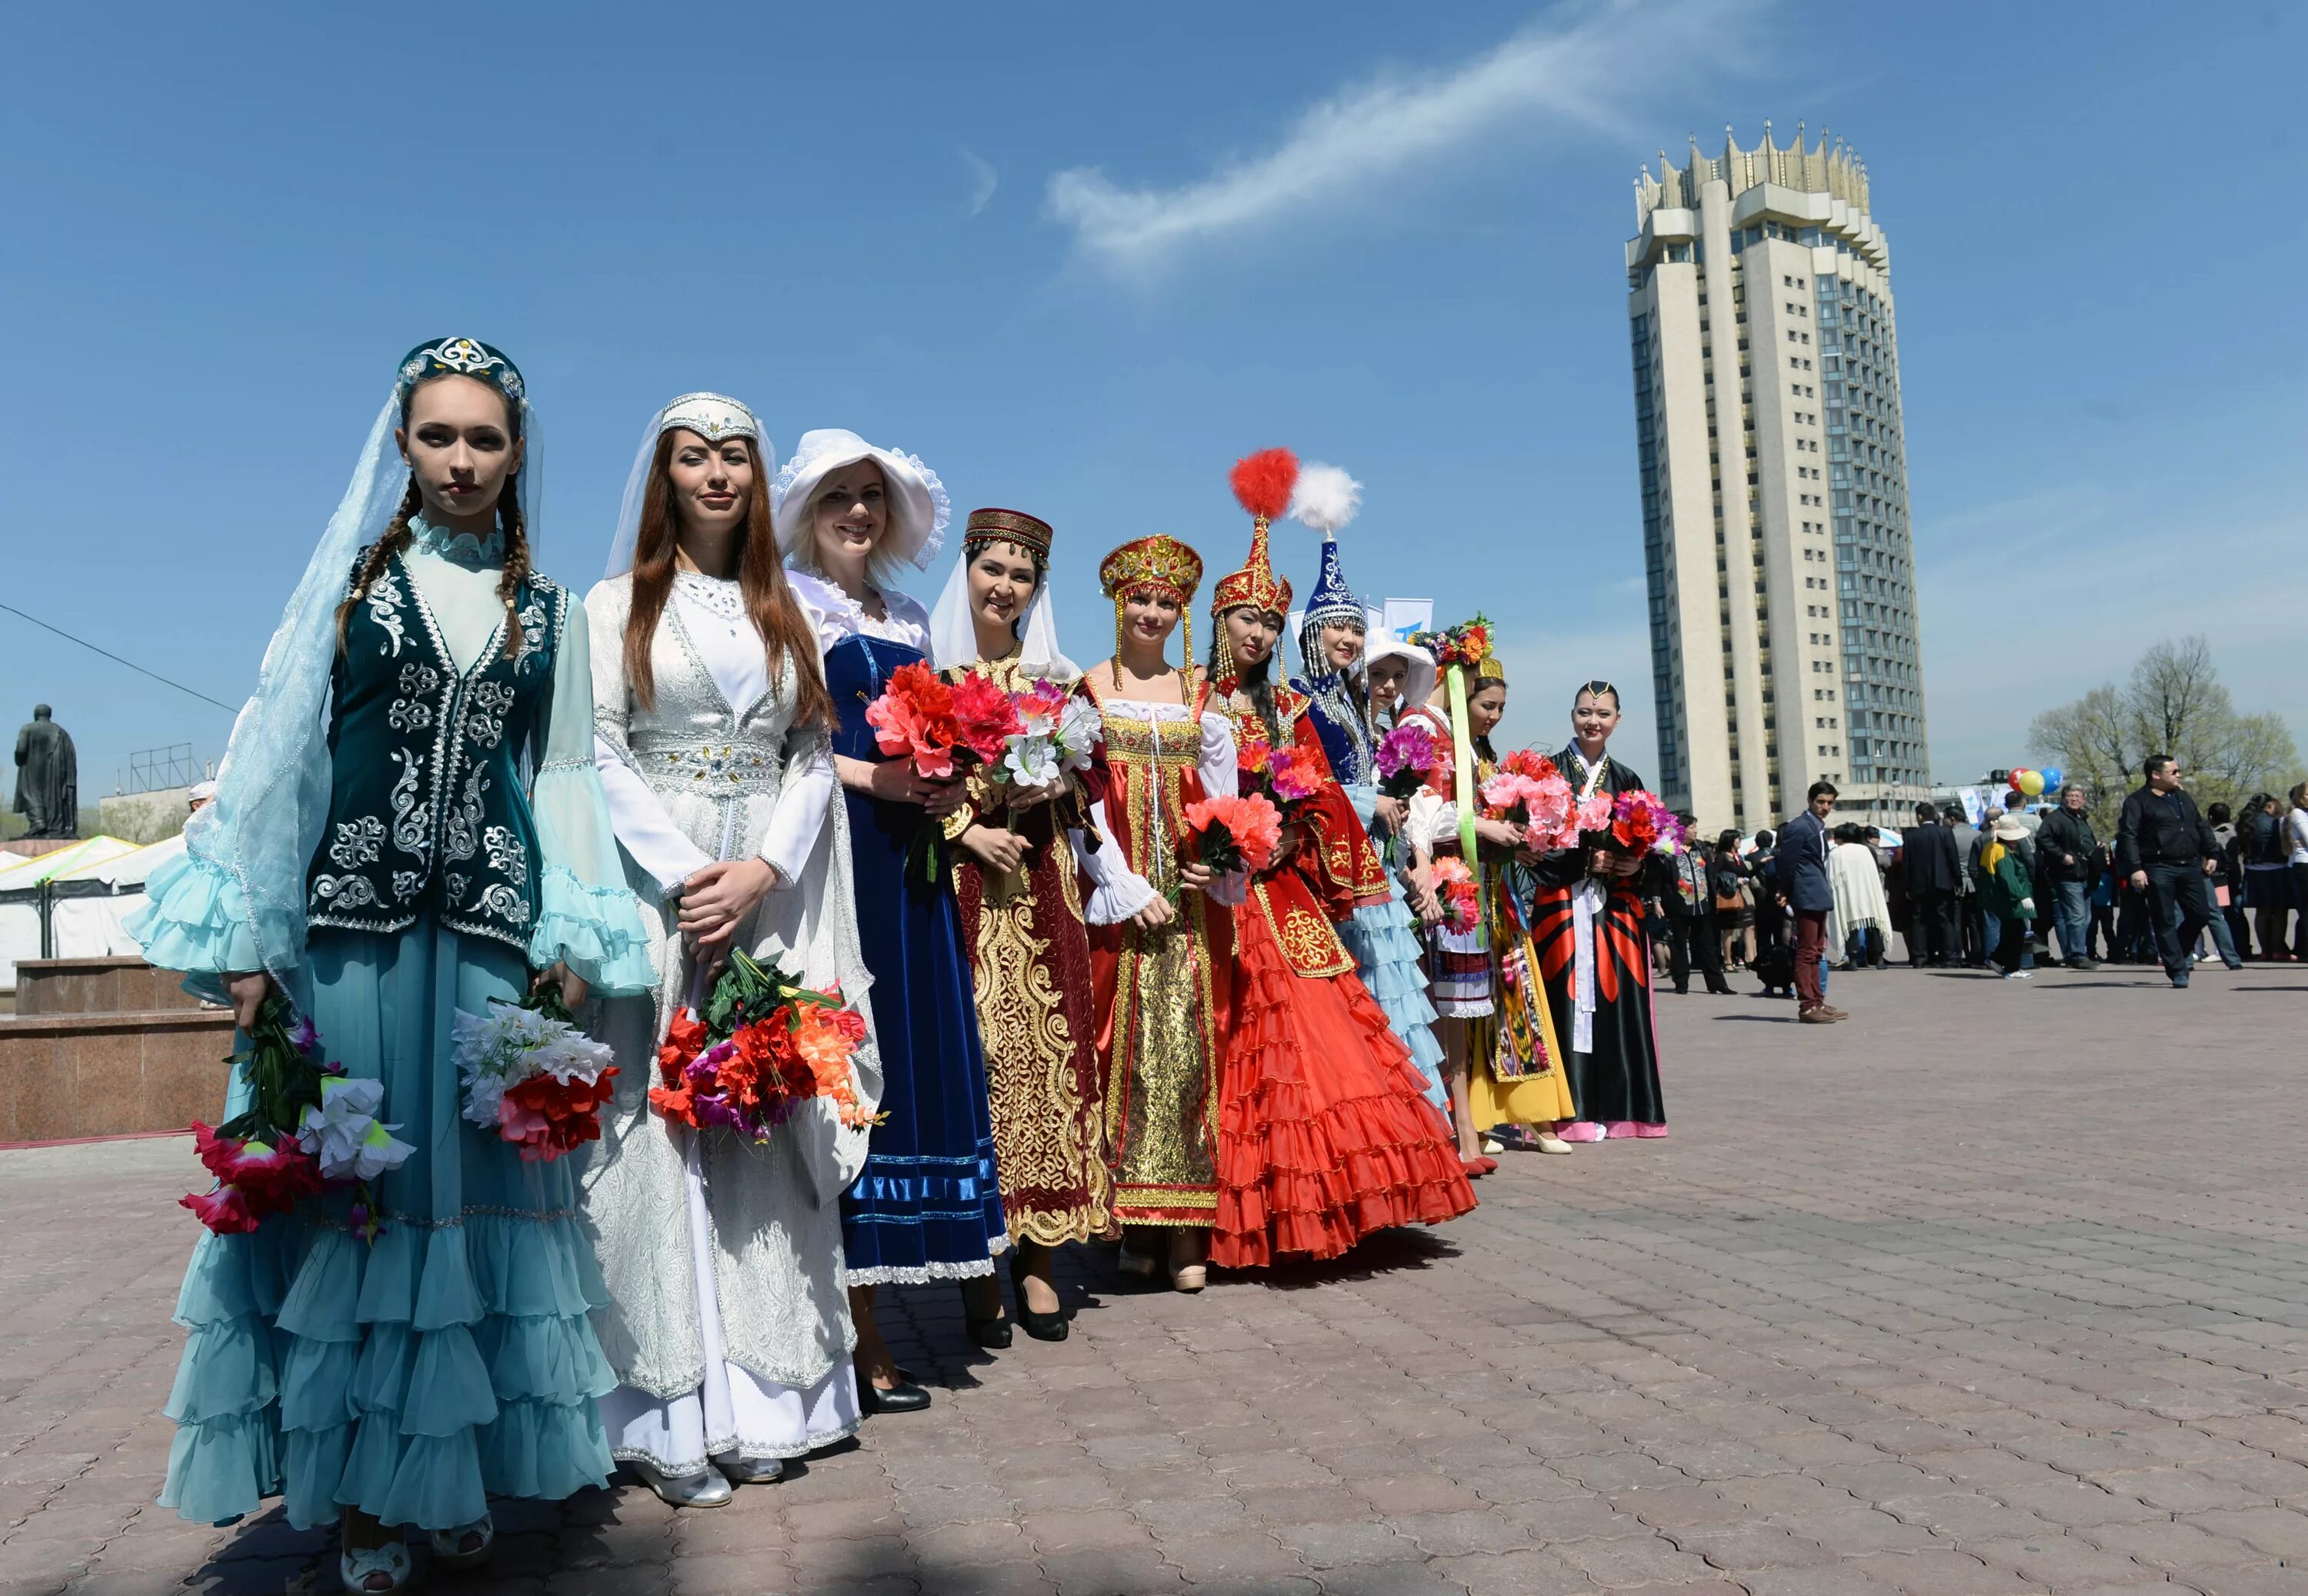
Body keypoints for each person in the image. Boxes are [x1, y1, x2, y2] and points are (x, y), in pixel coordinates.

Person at [128, 338, 658, 1590]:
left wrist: (574, 936)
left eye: (484, 438)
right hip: (352, 950)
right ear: (406, 447)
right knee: (364, 1215)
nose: (462, 459)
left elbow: (566, 775)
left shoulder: (552, 615)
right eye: (440, 437)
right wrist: (252, 944)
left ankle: (452, 1474)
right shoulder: (352, 594)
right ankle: (368, 1498)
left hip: (484, 951)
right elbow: (278, 763)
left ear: (516, 452)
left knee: (469, 1220)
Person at [580, 393, 879, 1505]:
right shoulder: (614, 606)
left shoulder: (785, 609)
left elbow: (811, 755)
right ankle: (669, 1414)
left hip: (771, 889)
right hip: (667, 890)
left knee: (764, 1117)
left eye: (735, 458)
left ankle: (768, 1400)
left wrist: (764, 870)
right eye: (694, 458)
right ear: (664, 477)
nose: (716, 475)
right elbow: (601, 748)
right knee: (665, 1128)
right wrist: (685, 872)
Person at [774, 428, 1004, 1410]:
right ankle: (861, 1329)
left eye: (872, 496)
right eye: (839, 495)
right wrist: (889, 776)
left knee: (916, 1053)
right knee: (852, 1057)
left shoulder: (907, 615)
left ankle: (930, 1269)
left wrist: (954, 775)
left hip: (910, 855)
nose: (858, 511)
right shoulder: (786, 602)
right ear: (807, 510)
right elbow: (787, 741)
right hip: (836, 847)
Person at [1202, 471, 1474, 1267]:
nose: (1257, 631)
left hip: (1284, 890)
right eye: (1245, 616)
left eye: (1268, 620)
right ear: (1222, 620)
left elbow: (1318, 792)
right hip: (1219, 891)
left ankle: (1340, 1196)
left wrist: (1291, 830)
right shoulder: (1198, 702)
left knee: (1324, 1035)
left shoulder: (1289, 710)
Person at [927, 507, 1117, 1341]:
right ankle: (976, 1265)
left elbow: (1095, 775)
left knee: (1047, 1063)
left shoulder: (1058, 678)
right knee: (974, 1065)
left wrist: (1056, 785)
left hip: (1042, 889)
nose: (1004, 586)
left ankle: (1039, 1260)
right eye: (993, 568)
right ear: (965, 570)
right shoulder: (929, 670)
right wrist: (966, 821)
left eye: (1021, 574)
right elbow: (911, 777)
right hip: (958, 890)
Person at [1077, 535, 1240, 1290]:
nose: (1151, 611)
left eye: (1166, 602)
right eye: (1139, 598)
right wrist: (1114, 878)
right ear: (1117, 602)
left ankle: (1187, 1231)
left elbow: (1225, 798)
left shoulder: (1201, 694)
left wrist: (1225, 858)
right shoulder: (1087, 690)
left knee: (1189, 1052)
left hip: (1187, 901)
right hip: (1116, 899)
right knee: (1122, 1055)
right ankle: (1134, 1224)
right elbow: (1080, 801)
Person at [1286, 501, 1448, 1111]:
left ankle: (1410, 1130)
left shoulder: (1355, 708)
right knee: (1359, 996)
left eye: (1356, 628)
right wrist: (1368, 799)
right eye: (1338, 628)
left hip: (1372, 864)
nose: (1349, 639)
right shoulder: (1299, 698)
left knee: (1388, 991)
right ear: (1312, 633)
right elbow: (1303, 783)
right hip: (1330, 867)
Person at [1523, 681, 1669, 1138]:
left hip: (1615, 912)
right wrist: (1587, 860)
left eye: (1603, 714)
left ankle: (1620, 1109)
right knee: (1561, 999)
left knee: (1617, 1001)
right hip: (1561, 907)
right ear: (1572, 715)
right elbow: (1531, 847)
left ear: (1617, 721)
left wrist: (1631, 862)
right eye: (1586, 712)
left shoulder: (1627, 780)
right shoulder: (1547, 775)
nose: (1593, 721)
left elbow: (1651, 854)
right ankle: (1565, 1113)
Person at [2114, 754, 2229, 988]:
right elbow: (2129, 835)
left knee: (2201, 914)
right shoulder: (2138, 801)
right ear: (2156, 775)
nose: (2179, 775)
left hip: (2189, 865)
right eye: (2174, 772)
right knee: (2164, 919)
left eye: (2179, 771)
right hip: (2158, 867)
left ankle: (2174, 951)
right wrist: (2136, 868)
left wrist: (2212, 853)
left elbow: (2200, 826)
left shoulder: (2183, 797)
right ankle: (2178, 969)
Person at [1779, 781, 1845, 1023]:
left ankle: (1818, 1000)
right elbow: (1787, 862)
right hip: (1805, 894)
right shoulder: (1800, 827)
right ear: (1810, 800)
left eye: (1829, 803)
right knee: (1807, 951)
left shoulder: (1817, 827)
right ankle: (1807, 1006)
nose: (1825, 807)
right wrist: (1784, 890)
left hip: (1817, 892)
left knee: (1817, 951)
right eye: (1821, 802)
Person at [2034, 785, 2100, 972]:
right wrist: (2061, 856)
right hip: (2067, 874)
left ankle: (2077, 952)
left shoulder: (2082, 818)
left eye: (2078, 796)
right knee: (2076, 916)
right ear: (2063, 798)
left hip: (2086, 873)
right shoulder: (2055, 818)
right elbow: (2043, 839)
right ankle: (2076, 955)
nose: (2074, 799)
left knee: (2085, 917)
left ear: (2084, 799)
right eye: (2070, 796)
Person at [1664, 825, 1730, 995]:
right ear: (1681, 830)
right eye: (1691, 828)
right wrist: (1658, 901)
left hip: (1703, 904)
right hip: (1680, 905)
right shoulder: (1669, 850)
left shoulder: (1701, 848)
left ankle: (1717, 983)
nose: (1695, 831)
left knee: (1708, 945)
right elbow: (1662, 879)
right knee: (1679, 945)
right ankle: (1681, 983)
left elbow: (1710, 874)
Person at [1900, 802, 1962, 967]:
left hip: (1919, 885)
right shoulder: (1945, 832)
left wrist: (1907, 886)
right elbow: (1952, 858)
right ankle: (1949, 958)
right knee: (1945, 920)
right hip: (1943, 883)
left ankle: (1920, 958)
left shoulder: (1911, 836)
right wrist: (1958, 881)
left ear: (1919, 816)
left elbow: (1907, 863)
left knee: (1919, 921)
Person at [1979, 813, 2037, 978]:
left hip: (1998, 897)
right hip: (2009, 899)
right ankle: (2012, 968)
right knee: (2015, 934)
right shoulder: (2001, 852)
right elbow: (2008, 878)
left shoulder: (1991, 847)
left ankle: (1997, 959)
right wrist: (2022, 896)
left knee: (2010, 932)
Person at [1826, 822, 1891, 971]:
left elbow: (1831, 877)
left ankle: (1853, 960)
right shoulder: (1866, 850)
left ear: (1841, 838)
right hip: (1869, 892)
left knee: (1849, 925)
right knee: (1875, 925)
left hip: (1848, 893)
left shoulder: (1836, 853)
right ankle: (1879, 959)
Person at [1712, 830, 1753, 971]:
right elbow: (1716, 877)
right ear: (1730, 841)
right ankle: (1727, 961)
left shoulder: (1738, 856)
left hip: (1740, 896)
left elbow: (1746, 874)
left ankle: (1750, 958)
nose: (1740, 841)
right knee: (1728, 929)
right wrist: (1735, 880)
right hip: (1728, 897)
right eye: (1737, 839)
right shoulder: (1722, 857)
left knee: (1748, 925)